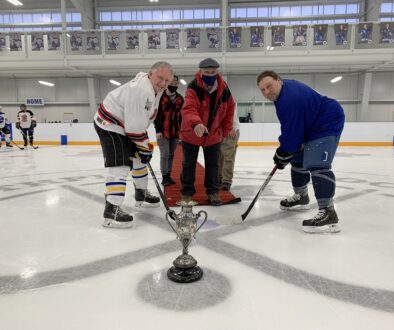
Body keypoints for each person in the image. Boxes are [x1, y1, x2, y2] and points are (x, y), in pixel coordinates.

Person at [257, 71, 345, 234]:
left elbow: (292, 131)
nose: (266, 92)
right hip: (310, 123)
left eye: (269, 86)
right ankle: (302, 196)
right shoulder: (282, 94)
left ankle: (328, 212)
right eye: (262, 90)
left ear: (279, 81)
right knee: (296, 157)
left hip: (326, 120)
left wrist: (283, 151)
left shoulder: (290, 99)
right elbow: (290, 129)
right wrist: (285, 152)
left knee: (317, 163)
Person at [94, 61, 173, 228]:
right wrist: (144, 146)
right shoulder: (142, 90)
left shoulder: (155, 89)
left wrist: (143, 148)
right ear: (151, 74)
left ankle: (141, 193)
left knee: (139, 160)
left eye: (167, 80)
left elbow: (139, 122)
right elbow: (134, 128)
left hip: (125, 125)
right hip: (110, 124)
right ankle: (112, 210)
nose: (163, 83)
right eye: (160, 78)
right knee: (120, 165)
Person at [180, 58, 235, 206]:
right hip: (192, 133)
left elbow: (229, 110)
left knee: (213, 165)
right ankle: (186, 193)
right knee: (188, 164)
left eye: (213, 72)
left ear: (218, 72)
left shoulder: (224, 89)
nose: (210, 75)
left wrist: (226, 130)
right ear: (200, 72)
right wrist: (196, 123)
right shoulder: (193, 87)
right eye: (206, 72)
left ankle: (213, 193)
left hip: (213, 134)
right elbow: (189, 108)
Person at [154, 75, 184, 186]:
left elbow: (182, 116)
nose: (174, 86)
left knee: (171, 154)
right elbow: (156, 115)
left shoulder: (180, 99)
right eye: (172, 83)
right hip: (163, 132)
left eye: (176, 84)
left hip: (175, 132)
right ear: (167, 83)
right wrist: (158, 130)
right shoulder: (160, 97)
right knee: (164, 154)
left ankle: (169, 176)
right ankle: (164, 176)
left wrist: (182, 131)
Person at [218, 104, 240, 191]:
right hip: (219, 131)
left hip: (230, 130)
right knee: (219, 157)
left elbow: (232, 113)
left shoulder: (227, 96)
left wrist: (232, 127)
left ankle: (226, 181)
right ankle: (219, 178)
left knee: (228, 157)